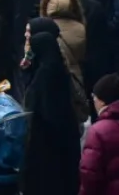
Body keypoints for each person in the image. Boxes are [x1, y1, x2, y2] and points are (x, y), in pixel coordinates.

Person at [22, 29, 81, 195]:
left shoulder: (44, 74)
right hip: (65, 136)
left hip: (46, 141)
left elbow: (42, 106)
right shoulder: (59, 69)